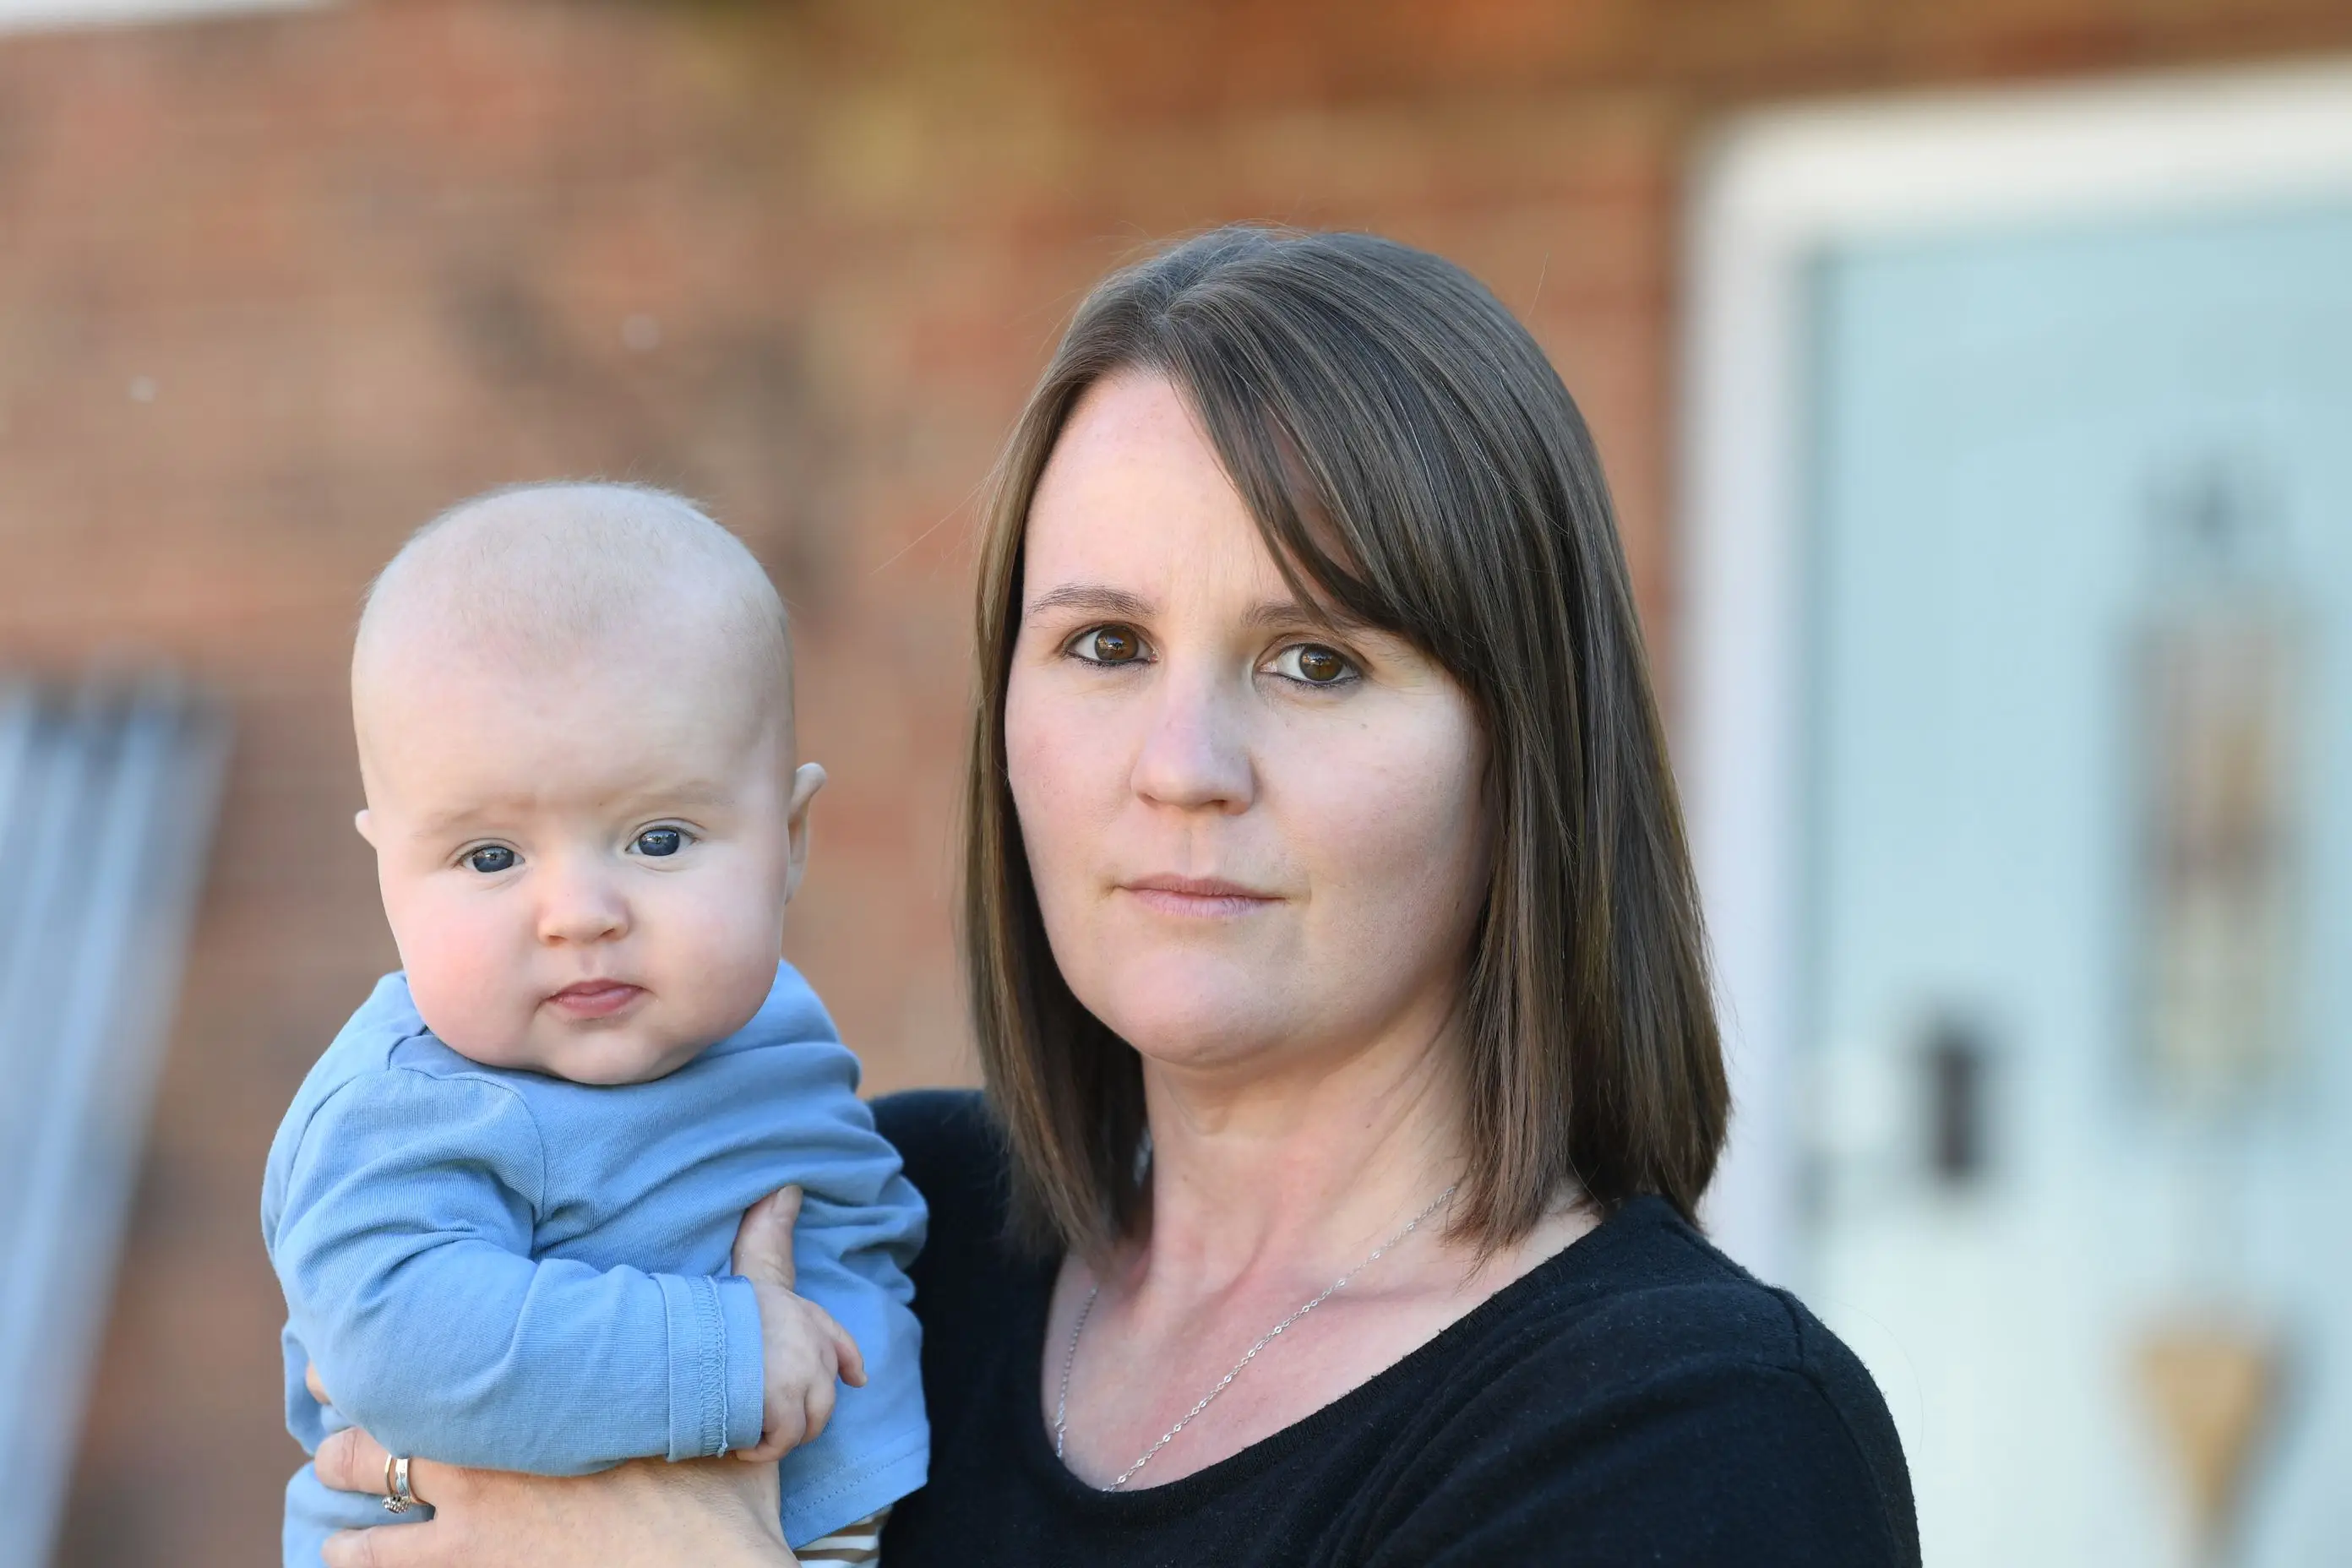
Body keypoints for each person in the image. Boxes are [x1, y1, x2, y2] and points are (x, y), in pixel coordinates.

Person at [308, 226, 1919, 1566]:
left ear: (1525, 754)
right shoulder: (874, 1220)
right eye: (1102, 644)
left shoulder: (1691, 1436)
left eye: (1314, 661)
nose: (1180, 763)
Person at [263, 484, 927, 1567]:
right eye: (491, 857)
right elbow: (401, 1342)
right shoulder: (412, 1105)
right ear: (389, 875)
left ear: (790, 840)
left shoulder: (775, 1028)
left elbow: (859, 1223)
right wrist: (724, 1352)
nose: (580, 913)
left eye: (659, 839)